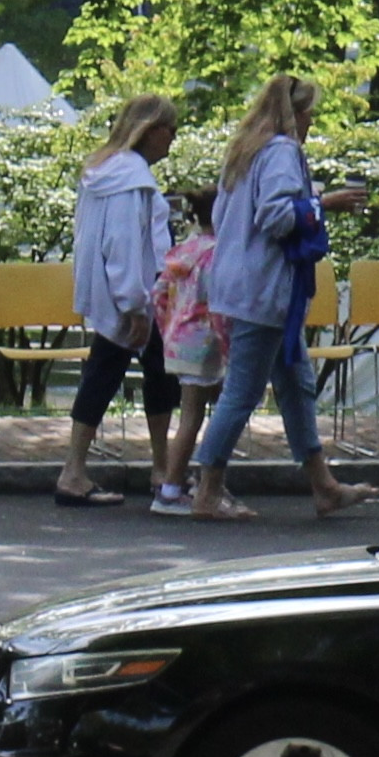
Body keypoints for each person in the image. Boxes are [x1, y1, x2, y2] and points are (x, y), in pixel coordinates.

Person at [187, 74, 376, 521]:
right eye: (309, 112)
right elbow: (275, 216)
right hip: (262, 290)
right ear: (295, 113)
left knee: (295, 384)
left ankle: (322, 485)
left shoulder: (245, 151)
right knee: (243, 391)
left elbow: (234, 212)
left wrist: (308, 199)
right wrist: (323, 204)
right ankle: (207, 488)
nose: (311, 121)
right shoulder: (281, 152)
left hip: (237, 283)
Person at [59, 94, 181, 507]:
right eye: (170, 129)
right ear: (150, 130)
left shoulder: (104, 172)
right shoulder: (132, 181)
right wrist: (135, 302)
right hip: (137, 294)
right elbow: (126, 243)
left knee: (111, 371)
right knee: (143, 374)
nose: (174, 138)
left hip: (119, 291)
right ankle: (157, 468)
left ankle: (80, 468)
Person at [148, 187, 225, 517]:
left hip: (180, 341)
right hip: (207, 343)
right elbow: (219, 302)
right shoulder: (218, 254)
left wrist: (168, 329)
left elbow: (159, 293)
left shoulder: (185, 250)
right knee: (196, 417)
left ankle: (197, 481)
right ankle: (171, 487)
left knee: (196, 413)